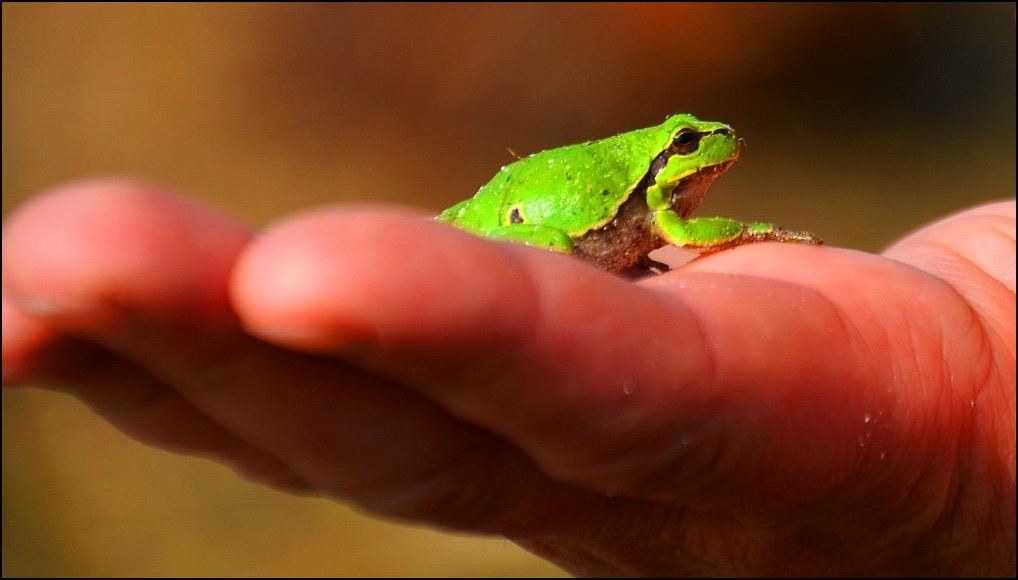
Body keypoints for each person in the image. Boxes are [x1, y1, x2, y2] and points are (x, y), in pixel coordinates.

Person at [3, 179, 1014, 576]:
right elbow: (679, 231)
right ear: (669, 159)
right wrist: (744, 231)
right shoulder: (665, 201)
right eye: (692, 137)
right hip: (545, 241)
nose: (713, 148)